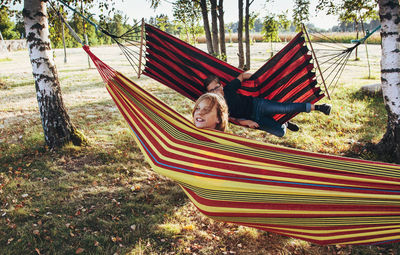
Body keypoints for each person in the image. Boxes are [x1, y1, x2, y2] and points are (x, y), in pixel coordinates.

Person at [204, 73, 331, 137]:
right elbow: (230, 119)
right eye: (212, 90)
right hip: (254, 119)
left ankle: (319, 107)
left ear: (221, 86)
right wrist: (246, 122)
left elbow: (242, 76)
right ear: (208, 93)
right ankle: (285, 123)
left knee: (285, 108)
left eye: (217, 87)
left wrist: (260, 77)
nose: (216, 91)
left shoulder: (229, 89)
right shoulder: (215, 106)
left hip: (258, 105)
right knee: (281, 133)